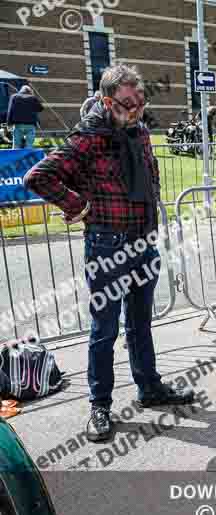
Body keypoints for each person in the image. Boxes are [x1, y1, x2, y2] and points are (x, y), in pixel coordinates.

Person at [23, 64, 195, 442]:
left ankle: (149, 388)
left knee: (141, 325)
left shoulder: (142, 132)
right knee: (104, 330)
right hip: (107, 246)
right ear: (106, 100)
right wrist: (77, 206)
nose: (135, 109)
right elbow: (38, 177)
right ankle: (100, 405)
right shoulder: (88, 137)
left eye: (140, 101)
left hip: (142, 243)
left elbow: (150, 179)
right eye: (127, 103)